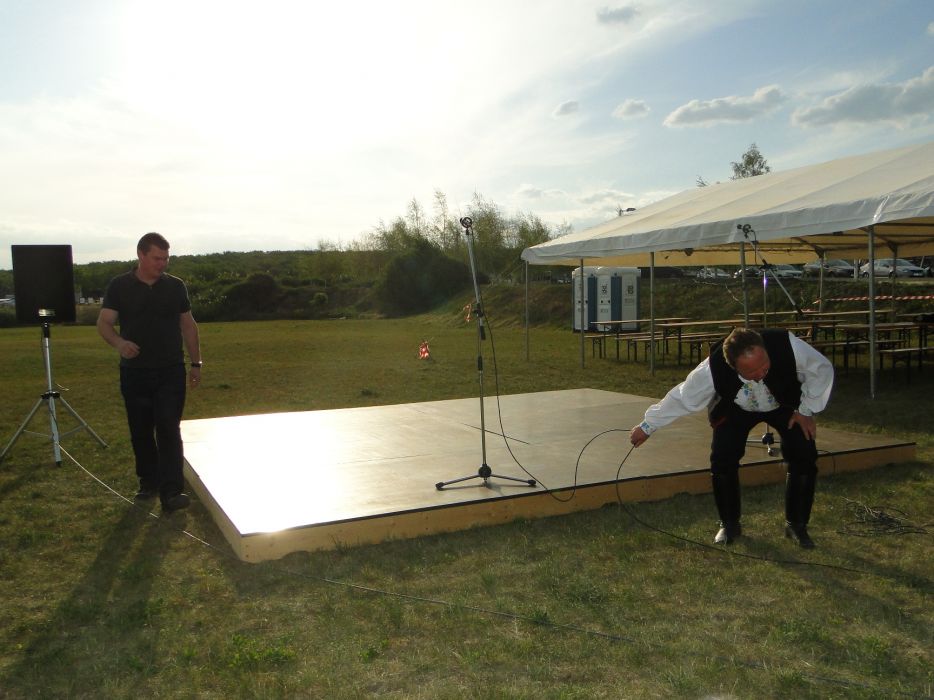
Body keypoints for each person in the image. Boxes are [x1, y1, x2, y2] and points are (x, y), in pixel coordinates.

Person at [629, 328, 834, 548]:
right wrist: (647, 426)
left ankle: (797, 525)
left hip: (784, 403)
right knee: (722, 457)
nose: (761, 373)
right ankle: (729, 524)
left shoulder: (787, 345)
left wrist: (806, 410)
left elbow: (821, 369)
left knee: (803, 451)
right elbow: (682, 397)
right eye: (751, 371)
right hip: (736, 407)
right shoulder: (712, 368)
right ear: (734, 367)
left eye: (764, 365)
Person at [97, 233, 202, 512]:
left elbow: (188, 325)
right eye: (157, 258)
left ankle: (172, 492)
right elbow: (104, 323)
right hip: (135, 373)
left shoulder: (175, 286)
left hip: (170, 371)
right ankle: (148, 483)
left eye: (166, 258)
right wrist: (120, 343)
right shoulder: (119, 285)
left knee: (168, 428)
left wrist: (196, 363)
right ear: (141, 255)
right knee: (141, 430)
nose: (162, 264)